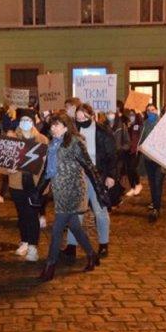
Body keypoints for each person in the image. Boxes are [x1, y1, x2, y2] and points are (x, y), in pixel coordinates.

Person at [30, 112, 109, 281]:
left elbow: (89, 166)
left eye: (57, 125)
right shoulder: (53, 144)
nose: (53, 128)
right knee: (75, 227)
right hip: (59, 192)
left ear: (66, 127)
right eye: (51, 125)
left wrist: (101, 191)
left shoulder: (75, 142)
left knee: (57, 229)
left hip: (73, 191)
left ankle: (50, 266)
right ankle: (91, 254)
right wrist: (38, 192)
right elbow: (47, 171)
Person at [62, 103, 117, 261]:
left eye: (83, 118)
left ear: (91, 116)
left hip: (97, 175)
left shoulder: (103, 132)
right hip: (78, 175)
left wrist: (111, 175)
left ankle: (103, 244)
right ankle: (72, 246)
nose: (80, 121)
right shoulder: (73, 131)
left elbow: (111, 156)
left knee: (100, 210)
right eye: (77, 118)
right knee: (76, 211)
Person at [3, 108, 48, 262]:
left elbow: (46, 165)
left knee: (32, 215)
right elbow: (1, 164)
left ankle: (33, 246)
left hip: (34, 184)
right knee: (22, 215)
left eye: (28, 120)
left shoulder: (42, 140)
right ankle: (25, 241)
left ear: (33, 122)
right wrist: (8, 169)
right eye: (23, 120)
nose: (25, 123)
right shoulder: (12, 138)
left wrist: (44, 187)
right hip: (17, 184)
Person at [140, 104, 163, 222]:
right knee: (152, 184)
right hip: (148, 158)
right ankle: (155, 204)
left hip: (158, 159)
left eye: (152, 110)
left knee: (158, 183)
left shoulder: (162, 123)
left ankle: (157, 208)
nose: (150, 112)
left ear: (157, 110)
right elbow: (142, 139)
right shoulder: (145, 124)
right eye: (148, 110)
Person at [123, 109, 144, 197]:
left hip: (135, 150)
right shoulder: (127, 125)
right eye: (129, 115)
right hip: (127, 150)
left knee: (132, 168)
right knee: (128, 170)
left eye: (133, 115)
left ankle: (138, 184)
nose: (131, 117)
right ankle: (132, 186)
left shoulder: (138, 125)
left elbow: (140, 135)